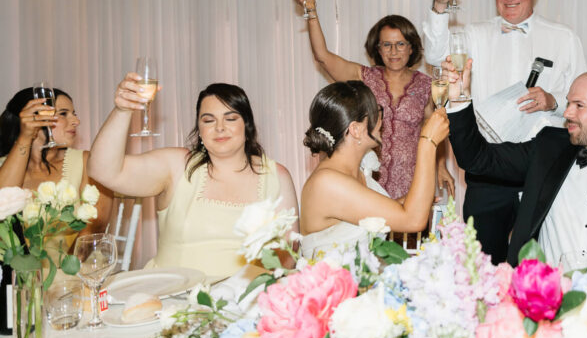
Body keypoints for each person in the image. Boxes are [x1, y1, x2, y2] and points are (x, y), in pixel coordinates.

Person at [443, 60, 587, 269]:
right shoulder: (548, 149)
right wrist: (458, 97)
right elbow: (477, 159)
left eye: (579, 105)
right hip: (542, 298)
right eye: (568, 103)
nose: (566, 113)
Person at [424, 0, 587, 261]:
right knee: (482, 264)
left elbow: (584, 103)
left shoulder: (563, 38)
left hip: (541, 168)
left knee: (539, 264)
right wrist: (440, 5)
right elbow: (435, 55)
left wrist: (553, 101)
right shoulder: (474, 34)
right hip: (488, 165)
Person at [87, 76, 299, 280]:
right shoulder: (177, 166)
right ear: (199, 131)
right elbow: (102, 170)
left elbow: (289, 253)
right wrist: (122, 110)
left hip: (243, 299)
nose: (219, 127)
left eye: (230, 118)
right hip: (172, 297)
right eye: (208, 120)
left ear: (247, 125)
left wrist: (246, 290)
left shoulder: (277, 176)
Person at [292, 0, 454, 200]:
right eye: (386, 45)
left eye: (401, 44)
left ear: (412, 47)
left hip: (411, 182)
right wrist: (311, 10)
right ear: (377, 48)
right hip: (367, 181)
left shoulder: (426, 85)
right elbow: (322, 56)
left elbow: (435, 130)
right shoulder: (365, 77)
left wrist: (441, 166)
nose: (393, 51)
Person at [299, 81, 450, 259]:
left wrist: (412, 201)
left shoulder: (354, 171)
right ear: (355, 129)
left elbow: (364, 213)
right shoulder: (327, 182)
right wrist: (427, 142)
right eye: (375, 112)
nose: (381, 119)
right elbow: (413, 220)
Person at [0, 87, 111, 234]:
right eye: (63, 113)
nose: (76, 121)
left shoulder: (86, 162)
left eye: (74, 114)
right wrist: (25, 137)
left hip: (74, 249)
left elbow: (95, 228)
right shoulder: (4, 166)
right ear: (33, 119)